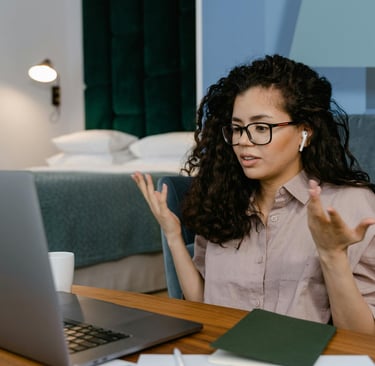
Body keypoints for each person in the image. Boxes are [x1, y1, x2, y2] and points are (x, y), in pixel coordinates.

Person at [132, 54, 375, 334]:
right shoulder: (222, 200)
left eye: (262, 128)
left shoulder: (350, 204)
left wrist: (332, 256)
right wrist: (173, 235)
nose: (244, 142)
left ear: (305, 133)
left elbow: (363, 338)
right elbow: (203, 304)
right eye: (237, 129)